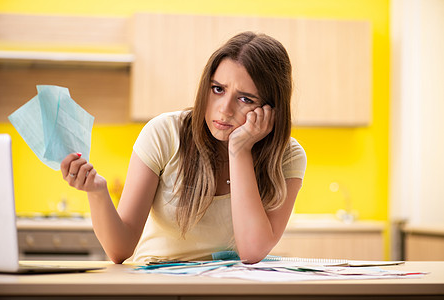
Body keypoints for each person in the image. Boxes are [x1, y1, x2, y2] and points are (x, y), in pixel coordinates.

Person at [61, 31, 307, 264]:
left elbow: (252, 252)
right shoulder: (164, 133)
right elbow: (120, 250)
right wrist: (97, 192)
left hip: (228, 290)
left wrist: (239, 151)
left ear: (271, 110)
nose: (224, 109)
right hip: (158, 286)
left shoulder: (287, 157)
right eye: (218, 89)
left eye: (245, 99)